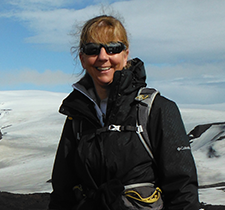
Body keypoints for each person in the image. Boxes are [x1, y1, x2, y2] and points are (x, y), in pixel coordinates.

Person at [48, 15, 199, 210]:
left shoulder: (156, 109)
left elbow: (182, 190)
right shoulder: (77, 117)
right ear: (82, 59)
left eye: (113, 48)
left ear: (125, 55)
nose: (103, 57)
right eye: (93, 49)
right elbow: (63, 192)